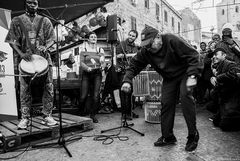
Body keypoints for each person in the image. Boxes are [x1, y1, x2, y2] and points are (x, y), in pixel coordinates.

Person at [121, 26, 202, 152]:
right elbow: (134, 65)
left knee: (186, 97)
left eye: (150, 44)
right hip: (170, 77)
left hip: (185, 72)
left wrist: (193, 75)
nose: (148, 48)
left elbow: (194, 55)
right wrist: (127, 80)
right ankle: (168, 137)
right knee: (166, 103)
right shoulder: (146, 51)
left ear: (158, 37)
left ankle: (193, 135)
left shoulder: (172, 40)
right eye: (145, 45)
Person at [5, 0, 57, 129]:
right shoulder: (17, 20)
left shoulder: (45, 20)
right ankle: (25, 118)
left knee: (49, 87)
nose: (32, 5)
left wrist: (46, 46)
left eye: (35, 3)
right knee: (24, 90)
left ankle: (47, 115)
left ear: (38, 5)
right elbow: (12, 41)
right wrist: (21, 54)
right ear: (25, 4)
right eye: (29, 2)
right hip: (25, 61)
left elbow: (52, 39)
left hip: (44, 60)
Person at [210, 48, 240, 131]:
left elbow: (234, 74)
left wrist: (217, 78)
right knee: (216, 122)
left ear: (224, 55)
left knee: (225, 126)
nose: (214, 57)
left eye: (216, 55)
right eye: (213, 55)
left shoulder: (231, 64)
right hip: (223, 96)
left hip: (231, 96)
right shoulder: (219, 65)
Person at [79, 31, 105, 123]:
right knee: (83, 95)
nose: (94, 38)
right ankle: (81, 113)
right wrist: (87, 68)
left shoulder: (100, 50)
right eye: (92, 37)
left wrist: (103, 65)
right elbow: (81, 62)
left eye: (95, 37)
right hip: (87, 73)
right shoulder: (84, 49)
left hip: (97, 74)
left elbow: (103, 62)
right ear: (88, 39)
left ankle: (93, 115)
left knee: (95, 96)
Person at [115, 29, 139, 119]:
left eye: (133, 36)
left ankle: (129, 112)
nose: (131, 37)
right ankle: (124, 114)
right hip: (122, 71)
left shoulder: (135, 47)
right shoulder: (121, 44)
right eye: (130, 35)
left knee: (130, 93)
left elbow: (137, 58)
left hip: (131, 72)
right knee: (123, 92)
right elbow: (117, 56)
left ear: (135, 38)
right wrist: (131, 55)